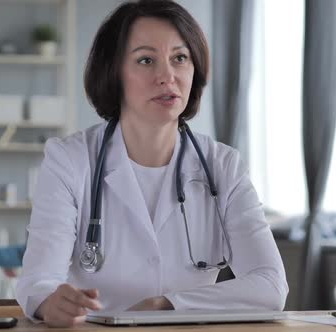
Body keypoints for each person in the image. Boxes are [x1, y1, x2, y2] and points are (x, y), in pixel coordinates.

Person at [16, 0, 288, 327]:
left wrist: (168, 305)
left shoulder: (224, 166)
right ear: (113, 72)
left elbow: (270, 285)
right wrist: (49, 301)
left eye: (180, 58)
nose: (167, 76)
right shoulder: (70, 160)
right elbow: (37, 282)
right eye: (146, 60)